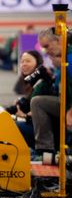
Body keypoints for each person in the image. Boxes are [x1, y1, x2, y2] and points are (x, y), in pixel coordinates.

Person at [30, 27, 72, 157]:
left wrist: (71, 111)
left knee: (38, 103)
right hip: (66, 103)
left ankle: (45, 150)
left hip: (69, 107)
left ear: (59, 40)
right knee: (38, 102)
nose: (46, 51)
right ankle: (46, 150)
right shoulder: (62, 60)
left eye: (47, 46)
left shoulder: (69, 60)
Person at [4, 50, 54, 150]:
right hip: (34, 125)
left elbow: (41, 114)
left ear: (38, 63)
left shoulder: (43, 83)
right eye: (22, 62)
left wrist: (24, 116)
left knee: (9, 126)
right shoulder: (29, 82)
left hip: (46, 131)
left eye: (28, 61)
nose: (24, 64)